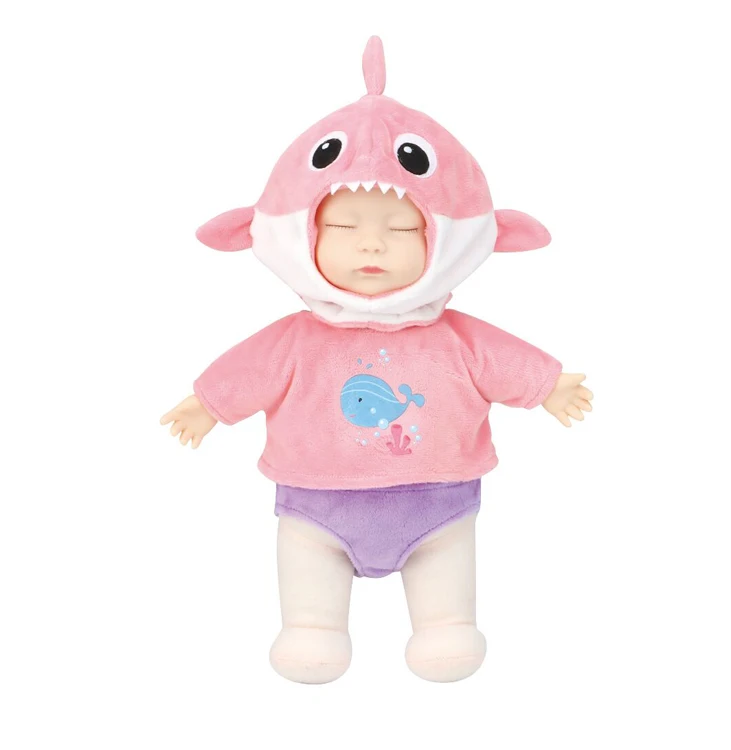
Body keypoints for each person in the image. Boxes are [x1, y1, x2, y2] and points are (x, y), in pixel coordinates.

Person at [160, 36, 593, 684]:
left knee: (446, 581)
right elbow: (248, 371)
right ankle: (313, 626)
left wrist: (548, 385)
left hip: (439, 503)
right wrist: (207, 406)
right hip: (315, 504)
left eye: (401, 230)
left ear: (446, 238)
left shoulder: (456, 337)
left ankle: (445, 626)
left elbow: (502, 360)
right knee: (308, 575)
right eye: (342, 227)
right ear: (300, 233)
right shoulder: (295, 339)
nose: (371, 245)